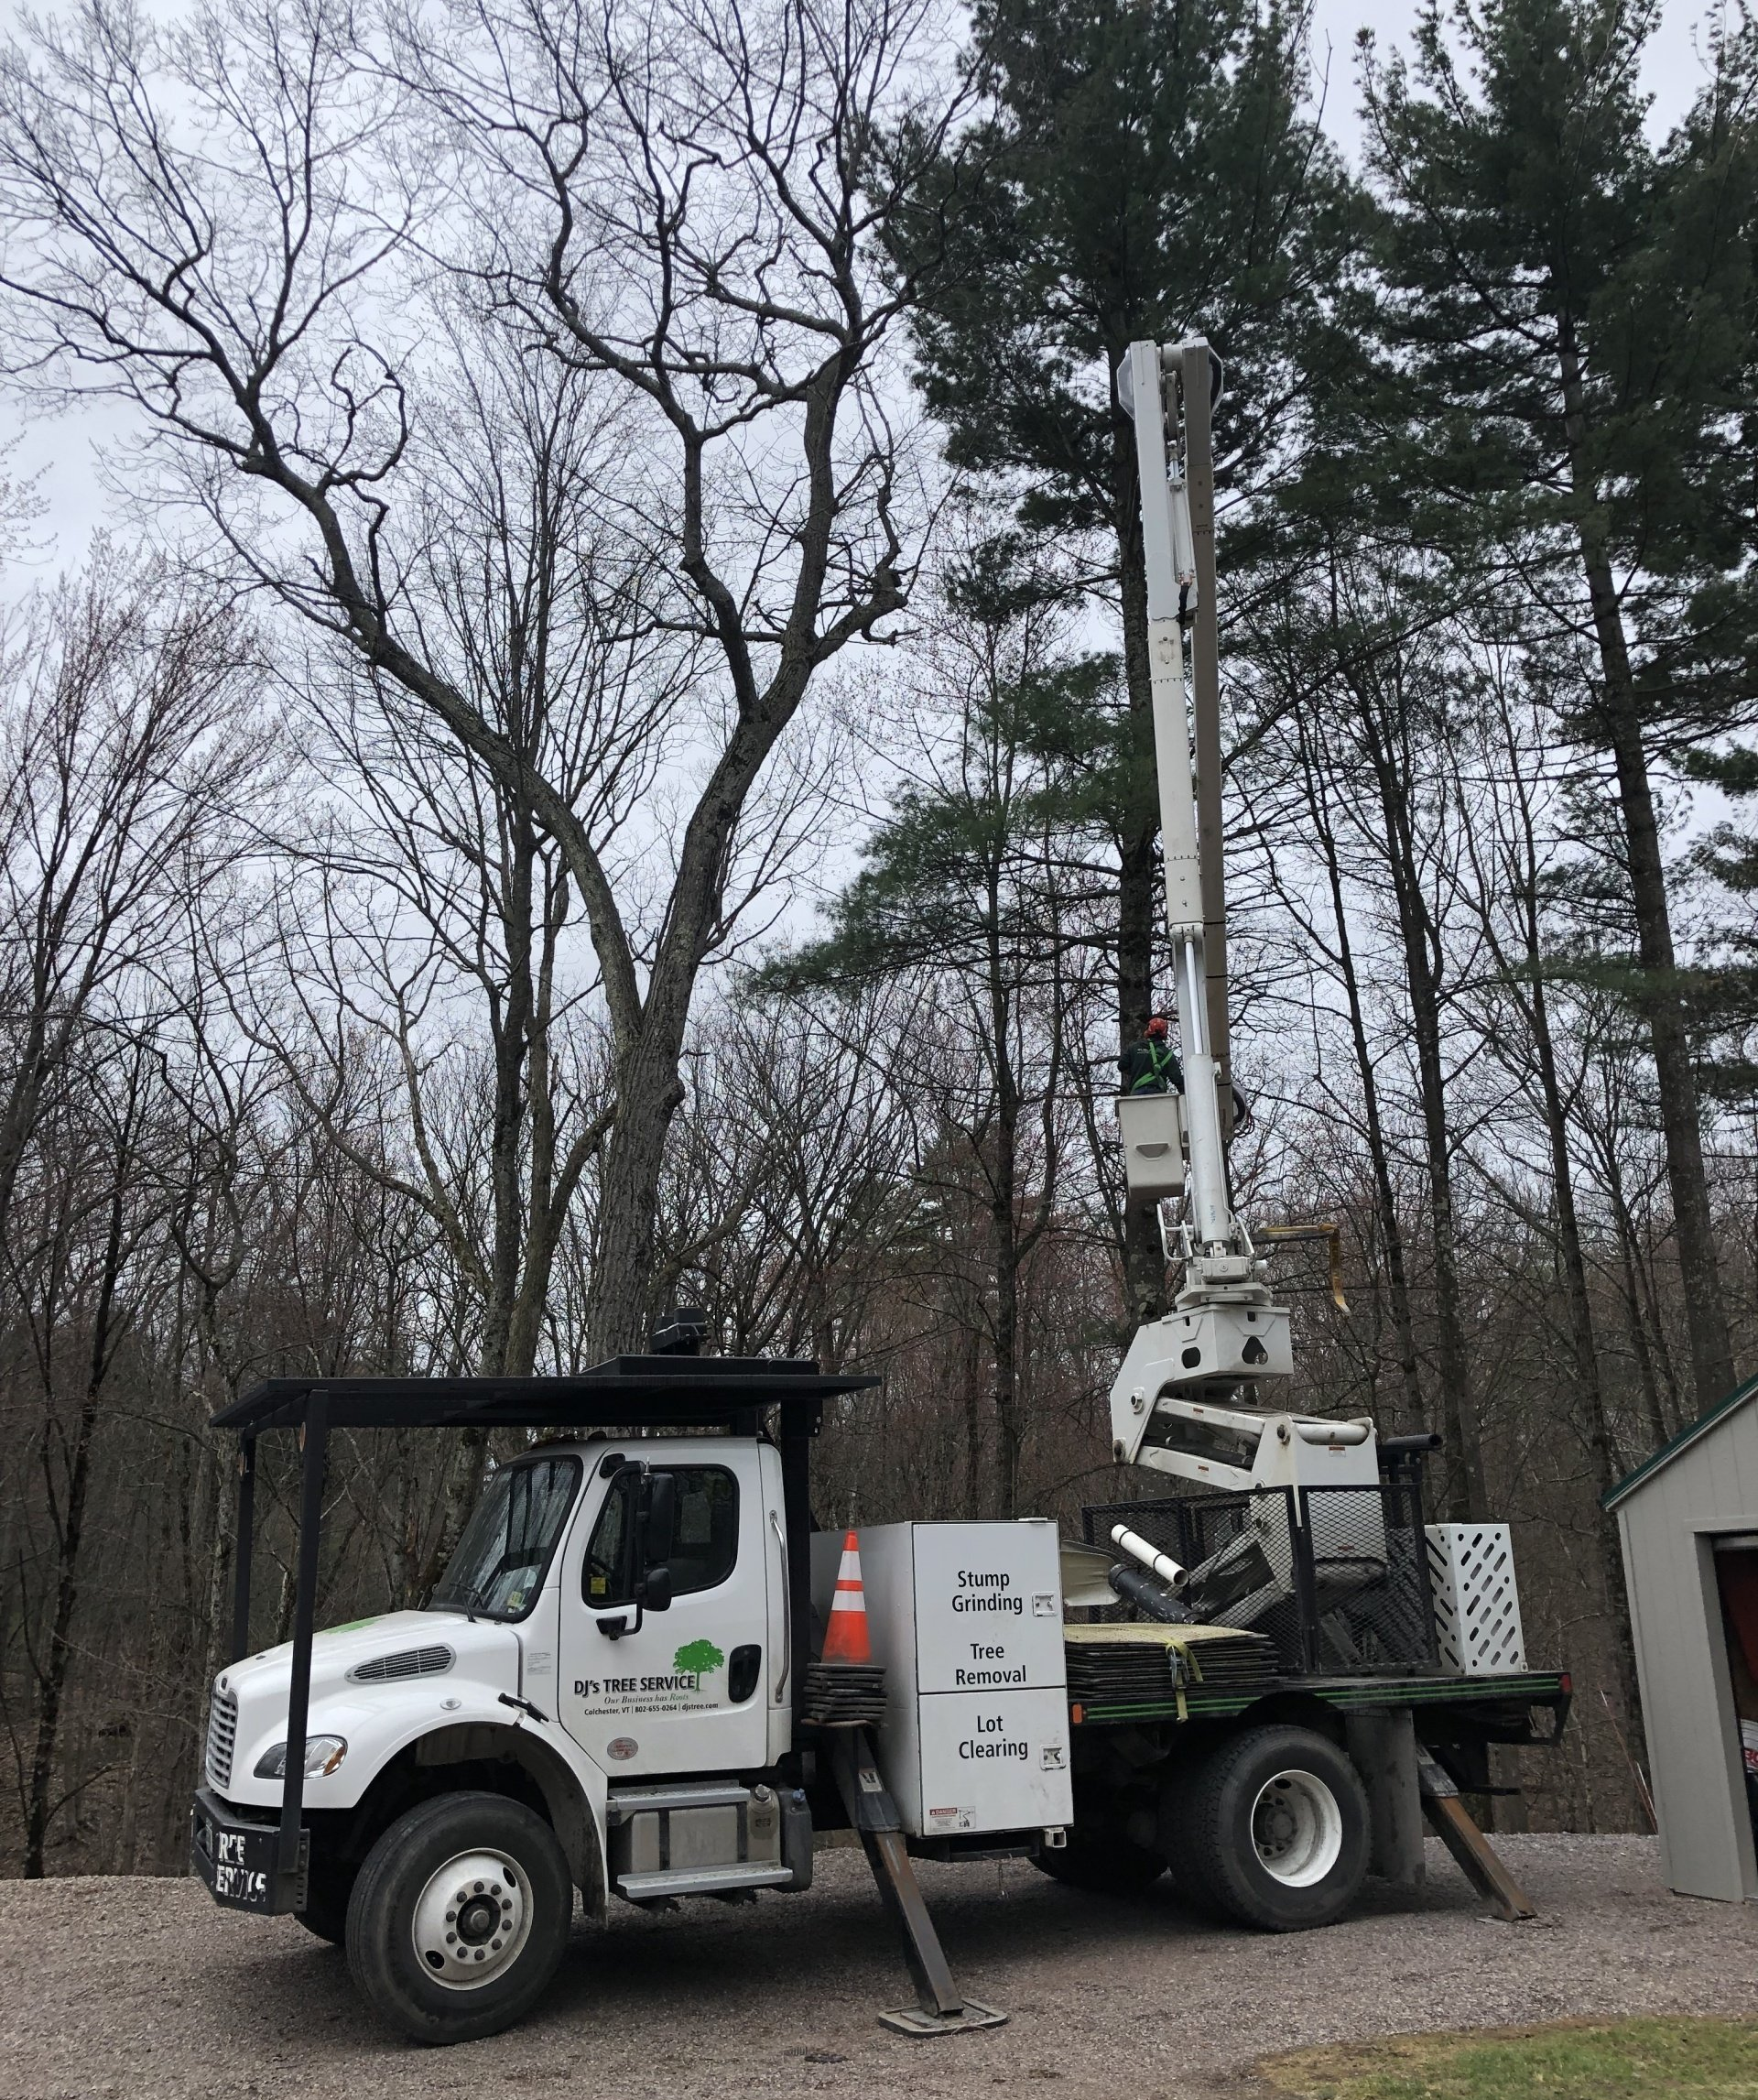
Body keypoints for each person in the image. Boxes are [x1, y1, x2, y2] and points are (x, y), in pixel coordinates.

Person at [1120, 1015, 1183, 1096]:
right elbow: (1177, 1078)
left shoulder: (1134, 1047)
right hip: (1157, 1092)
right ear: (1164, 1033)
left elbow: (1122, 1065)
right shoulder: (1167, 1053)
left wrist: (1137, 1069)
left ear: (1148, 1029)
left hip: (1137, 1092)